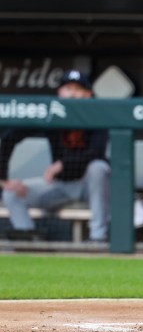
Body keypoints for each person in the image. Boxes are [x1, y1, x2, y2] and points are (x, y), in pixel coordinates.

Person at [0, 70, 109, 242]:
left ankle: (98, 237)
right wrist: (3, 178)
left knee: (98, 168)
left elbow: (96, 153)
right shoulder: (51, 115)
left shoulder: (97, 115)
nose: (72, 94)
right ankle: (28, 238)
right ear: (60, 93)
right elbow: (9, 137)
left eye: (78, 89)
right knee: (11, 193)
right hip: (60, 185)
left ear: (88, 94)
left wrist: (62, 164)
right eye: (68, 88)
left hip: (89, 187)